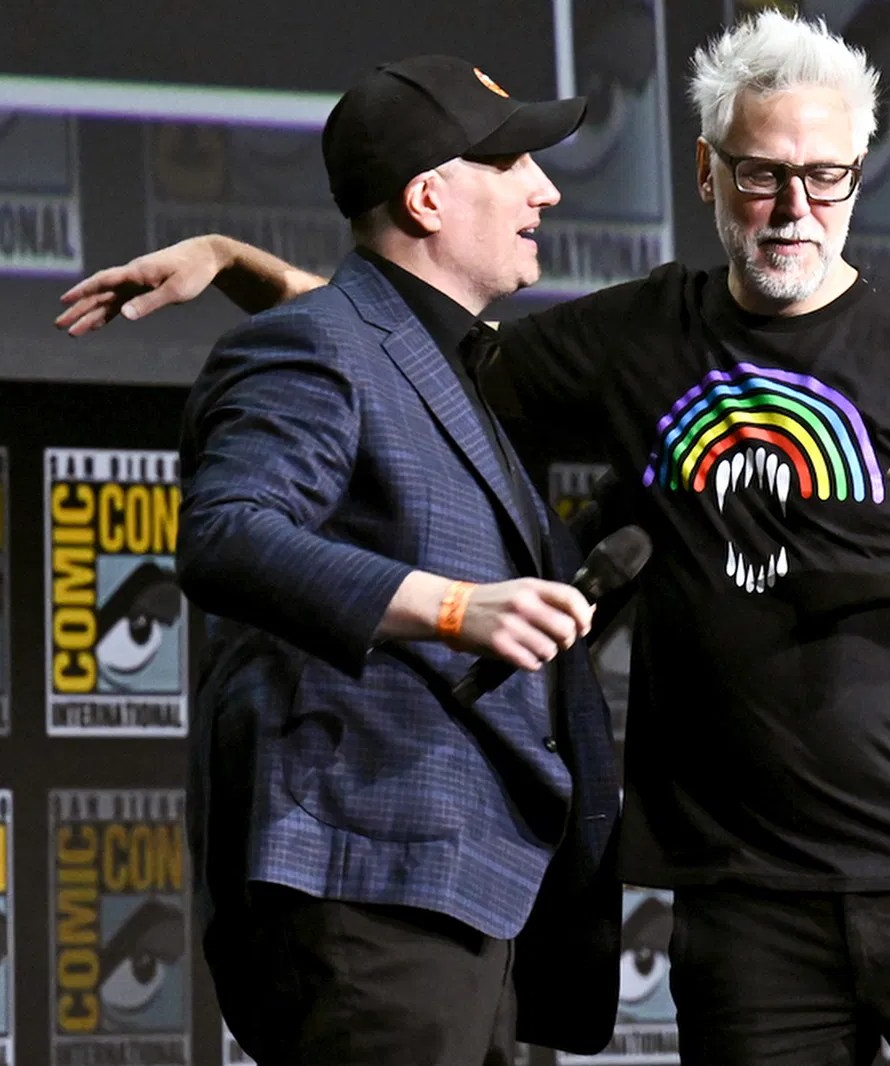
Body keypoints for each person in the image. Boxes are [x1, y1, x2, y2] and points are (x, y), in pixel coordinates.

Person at [60, 13, 890, 1066]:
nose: (795, 208)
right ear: (705, 171)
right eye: (761, 175)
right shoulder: (637, 335)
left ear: (857, 177)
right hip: (745, 901)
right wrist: (238, 263)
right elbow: (391, 336)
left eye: (825, 176)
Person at [170, 54, 623, 1066]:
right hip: (369, 887)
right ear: (428, 196)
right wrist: (459, 606)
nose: (544, 189)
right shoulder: (313, 344)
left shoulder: (425, 359)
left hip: (463, 897)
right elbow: (227, 531)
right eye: (512, 163)